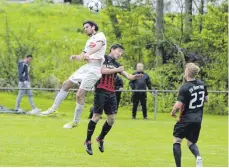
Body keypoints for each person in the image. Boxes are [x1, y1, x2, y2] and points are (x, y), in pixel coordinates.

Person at [41, 20, 107, 130]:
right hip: (87, 67)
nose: (85, 29)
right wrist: (75, 57)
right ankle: (53, 108)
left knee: (79, 95)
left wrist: (88, 54)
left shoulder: (100, 35)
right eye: (84, 27)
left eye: (87, 27)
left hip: (95, 69)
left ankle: (75, 122)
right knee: (66, 84)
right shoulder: (88, 41)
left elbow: (98, 47)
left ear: (93, 27)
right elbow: (82, 56)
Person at [84, 44, 143, 155]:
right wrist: (116, 69)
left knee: (111, 119)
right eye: (119, 51)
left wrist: (134, 77)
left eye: (121, 53)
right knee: (96, 116)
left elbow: (128, 76)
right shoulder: (103, 58)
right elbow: (102, 71)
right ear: (112, 49)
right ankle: (87, 141)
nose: (120, 54)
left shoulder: (117, 64)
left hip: (111, 93)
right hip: (100, 90)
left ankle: (100, 138)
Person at [171, 63, 208, 167]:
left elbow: (178, 105)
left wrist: (173, 112)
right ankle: (198, 157)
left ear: (187, 72)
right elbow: (206, 100)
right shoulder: (202, 84)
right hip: (198, 119)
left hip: (185, 119)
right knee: (191, 142)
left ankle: (178, 166)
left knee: (177, 140)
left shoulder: (185, 87)